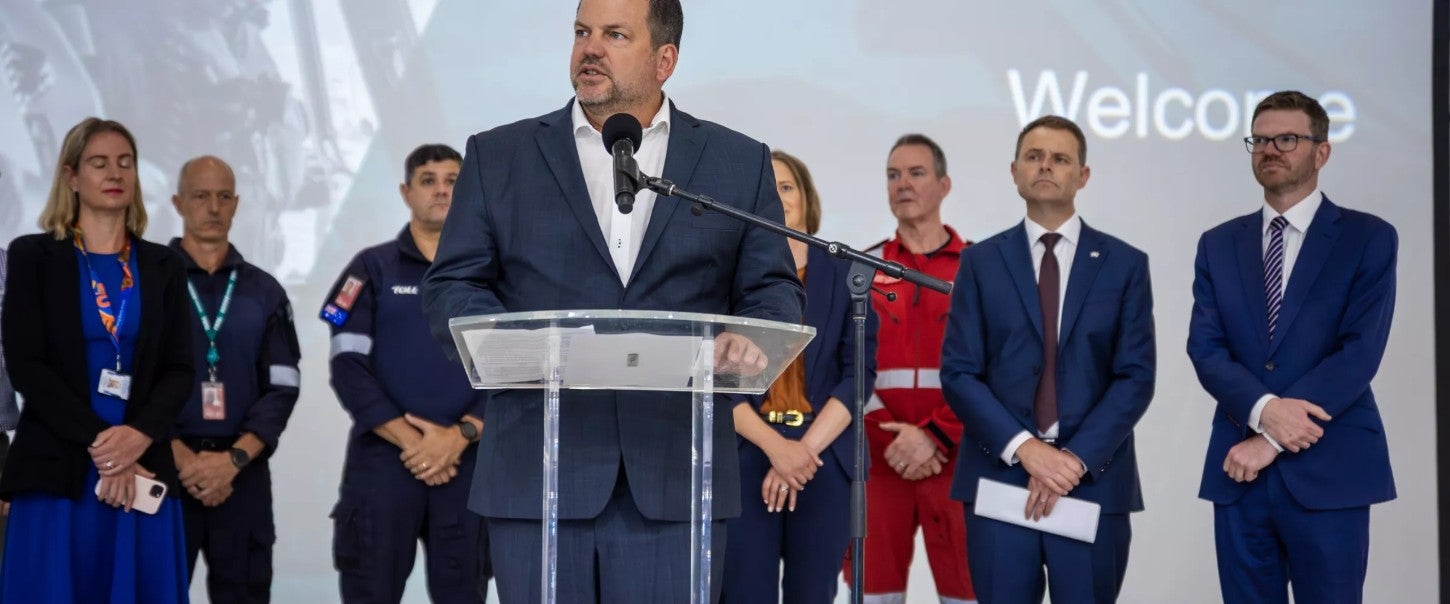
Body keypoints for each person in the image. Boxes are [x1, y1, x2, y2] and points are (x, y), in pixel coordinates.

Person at [420, 0, 804, 601]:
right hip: (538, 475)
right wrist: (516, 349)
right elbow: (452, 285)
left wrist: (751, 336)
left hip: (677, 477)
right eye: (583, 32)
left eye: (616, 35)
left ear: (665, 60)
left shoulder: (735, 161)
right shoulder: (500, 156)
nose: (591, 48)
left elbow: (773, 288)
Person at [1188, 91, 1397, 604]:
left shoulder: (1368, 237)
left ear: (1321, 152)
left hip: (1330, 468)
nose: (1270, 150)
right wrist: (1264, 412)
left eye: (1287, 139)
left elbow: (1359, 352)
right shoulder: (1218, 243)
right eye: (1260, 140)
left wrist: (1272, 439)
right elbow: (1206, 349)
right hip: (1238, 473)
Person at [941, 115, 1155, 603]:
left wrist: (1072, 461)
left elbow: (1135, 377)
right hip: (999, 480)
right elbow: (959, 373)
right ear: (1014, 171)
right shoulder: (978, 262)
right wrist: (1027, 450)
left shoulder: (1125, 265)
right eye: (1034, 157)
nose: (1045, 166)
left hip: (1092, 482)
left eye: (1060, 159)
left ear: (1083, 176)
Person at [0, 117, 194, 602]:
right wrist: (107, 449)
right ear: (71, 176)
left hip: (143, 463)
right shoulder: (33, 256)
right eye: (99, 163)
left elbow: (180, 368)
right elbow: (26, 364)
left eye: (125, 163)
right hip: (59, 470)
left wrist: (137, 437)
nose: (115, 173)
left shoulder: (164, 265)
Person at [321, 144, 490, 603]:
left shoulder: (493, 272)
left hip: (467, 462)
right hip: (385, 462)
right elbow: (346, 365)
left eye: (453, 181)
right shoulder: (370, 269)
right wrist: (416, 443)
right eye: (428, 180)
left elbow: (512, 366)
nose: (441, 190)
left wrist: (460, 435)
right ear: (405, 192)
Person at [721, 150, 877, 603]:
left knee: (814, 593)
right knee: (744, 593)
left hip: (823, 458)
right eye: (766, 189)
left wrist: (801, 453)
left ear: (807, 197)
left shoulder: (849, 273)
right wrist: (777, 449)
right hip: (747, 454)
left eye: (786, 186)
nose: (777, 196)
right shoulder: (725, 275)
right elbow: (719, 380)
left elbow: (858, 375)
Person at [846, 133, 975, 604]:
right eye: (893, 175)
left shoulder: (980, 267)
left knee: (970, 593)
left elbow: (997, 369)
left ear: (944, 185)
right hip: (881, 463)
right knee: (873, 595)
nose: (903, 183)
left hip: (958, 460)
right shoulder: (863, 268)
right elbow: (847, 364)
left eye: (916, 173)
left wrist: (938, 435)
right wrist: (897, 440)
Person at [167, 156, 301, 602]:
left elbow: (283, 385)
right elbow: (136, 382)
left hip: (243, 473)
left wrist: (233, 460)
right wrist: (183, 458)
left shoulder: (264, 291)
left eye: (224, 196)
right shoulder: (150, 283)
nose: (213, 207)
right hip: (167, 469)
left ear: (237, 204)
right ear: (178, 203)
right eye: (201, 196)